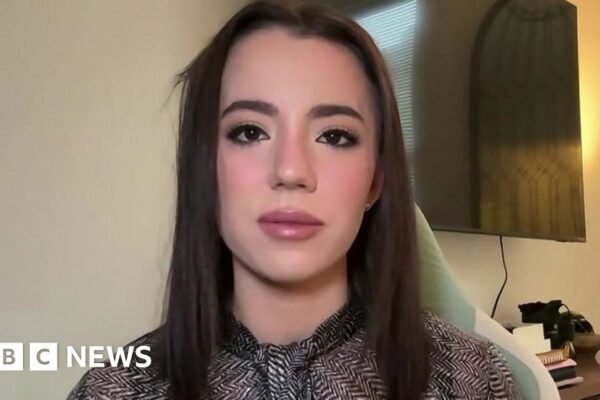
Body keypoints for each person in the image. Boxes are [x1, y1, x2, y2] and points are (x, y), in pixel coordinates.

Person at [67, 0, 520, 399]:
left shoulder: (472, 381)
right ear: (204, 167)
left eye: (335, 136)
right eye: (250, 132)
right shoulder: (113, 391)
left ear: (376, 180)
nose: (290, 171)